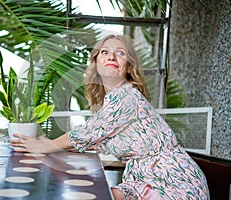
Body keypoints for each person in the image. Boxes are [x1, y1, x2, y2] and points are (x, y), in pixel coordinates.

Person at [11, 35, 210, 200]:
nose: (112, 56)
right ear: (96, 62)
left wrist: (46, 146)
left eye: (120, 53)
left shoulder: (127, 94)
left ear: (129, 67)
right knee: (89, 194)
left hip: (175, 184)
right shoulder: (110, 104)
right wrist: (47, 144)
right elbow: (93, 139)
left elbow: (90, 132)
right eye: (105, 52)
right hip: (142, 181)